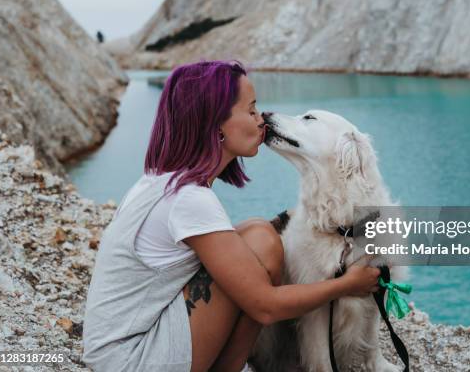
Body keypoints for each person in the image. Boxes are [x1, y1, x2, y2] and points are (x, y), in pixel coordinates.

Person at [82, 60, 381, 372]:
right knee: (262, 244)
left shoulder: (161, 180)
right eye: (251, 110)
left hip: (115, 351)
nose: (261, 118)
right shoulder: (190, 199)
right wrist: (347, 285)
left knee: (257, 230)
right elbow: (265, 307)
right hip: (134, 361)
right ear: (217, 124)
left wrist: (287, 221)